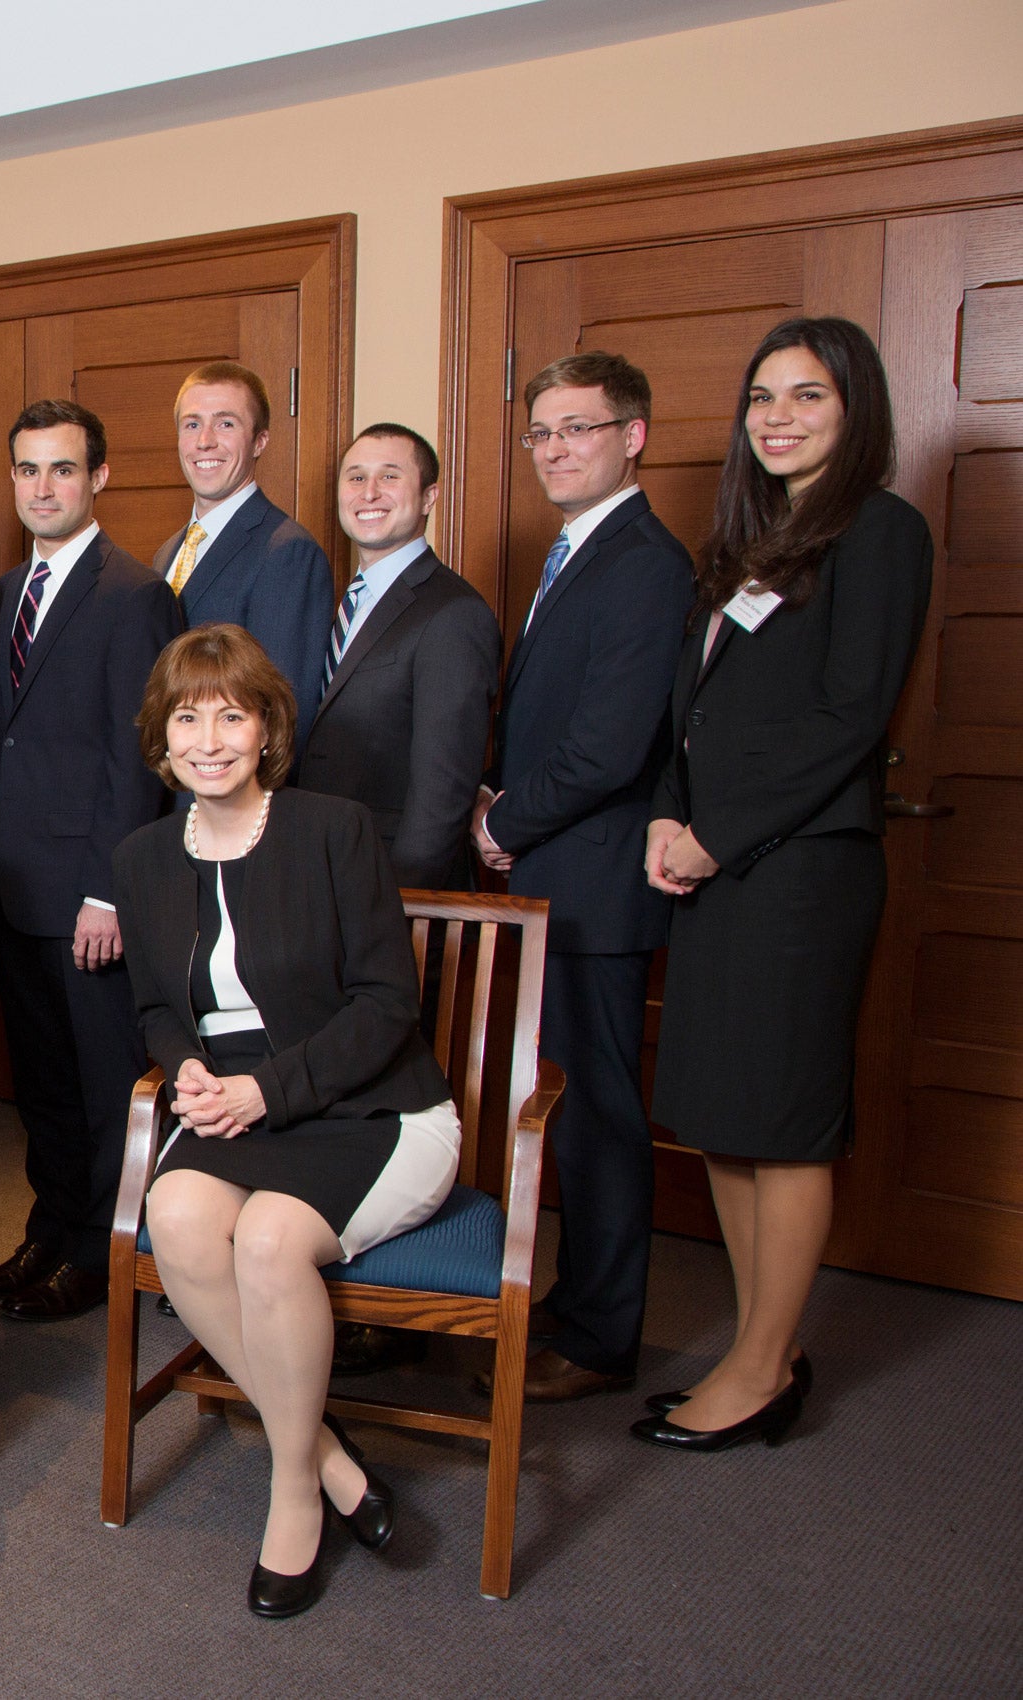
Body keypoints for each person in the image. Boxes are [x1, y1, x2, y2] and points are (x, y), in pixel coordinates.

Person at [633, 316, 932, 1452]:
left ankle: (760, 1370)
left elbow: (849, 718)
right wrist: (670, 805)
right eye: (763, 397)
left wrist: (720, 833)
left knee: (788, 1123)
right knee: (723, 1118)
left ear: (854, 412)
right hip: (718, 869)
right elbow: (695, 714)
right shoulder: (748, 547)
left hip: (801, 876)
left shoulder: (881, 533)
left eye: (807, 396)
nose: (778, 417)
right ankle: (765, 1341)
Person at [118, 624, 459, 1619]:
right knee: (174, 1217)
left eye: (233, 713)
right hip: (233, 1110)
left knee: (268, 1238)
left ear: (267, 728)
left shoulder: (333, 828)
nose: (210, 737)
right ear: (162, 735)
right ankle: (332, 1450)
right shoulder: (141, 856)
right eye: (188, 715)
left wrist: (267, 1090)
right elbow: (155, 1009)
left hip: (370, 1105)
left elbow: (388, 1005)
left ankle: (296, 1485)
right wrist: (187, 1072)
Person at [469, 353, 692, 1403]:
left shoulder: (647, 562)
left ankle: (602, 1335)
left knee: (600, 1112)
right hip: (555, 877)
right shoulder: (573, 552)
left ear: (633, 434)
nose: (557, 449)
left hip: (597, 886)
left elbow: (610, 747)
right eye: (542, 433)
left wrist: (504, 819)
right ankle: (574, 1296)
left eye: (579, 428)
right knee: (564, 1104)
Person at [0, 399, 183, 1321]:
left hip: (90, 896)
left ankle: (101, 1250)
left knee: (103, 1086)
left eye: (61, 468)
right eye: (27, 470)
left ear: (97, 477)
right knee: (43, 1080)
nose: (42, 486)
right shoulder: (4, 593)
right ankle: (49, 1228)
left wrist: (110, 890)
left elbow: (141, 756)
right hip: (15, 888)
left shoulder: (136, 595)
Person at [294, 424, 500, 892]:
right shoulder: (341, 600)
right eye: (355, 477)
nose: (369, 492)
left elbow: (442, 794)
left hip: (395, 888)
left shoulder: (454, 613)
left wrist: (403, 906)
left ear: (429, 497)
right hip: (322, 871)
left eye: (389, 477)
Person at [148, 362, 335, 719]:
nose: (205, 441)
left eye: (226, 424)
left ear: (259, 441)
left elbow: (283, 710)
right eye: (192, 424)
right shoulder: (167, 553)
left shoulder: (289, 552)